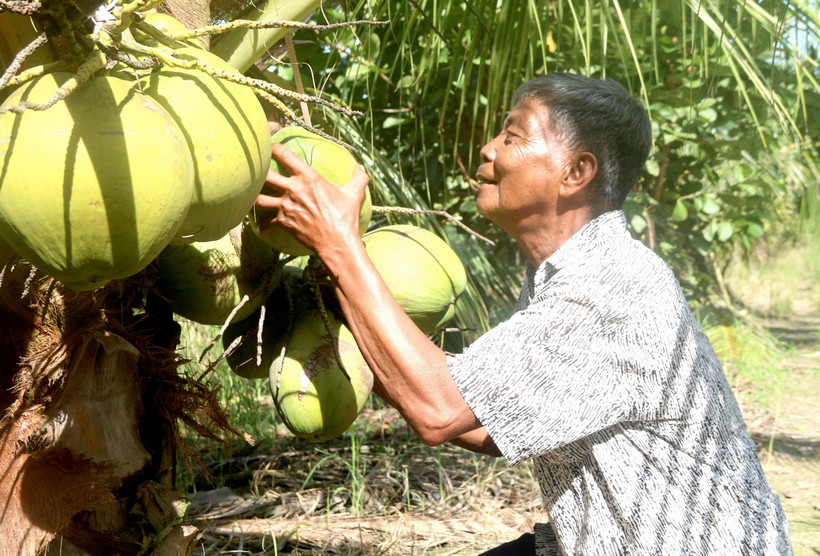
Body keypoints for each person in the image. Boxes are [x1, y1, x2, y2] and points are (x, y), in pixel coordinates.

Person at [254, 73, 792, 555]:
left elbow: (439, 411)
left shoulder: (610, 287)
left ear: (576, 172)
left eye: (512, 136)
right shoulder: (559, 275)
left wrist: (340, 246)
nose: (487, 150)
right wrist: (342, 298)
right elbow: (494, 425)